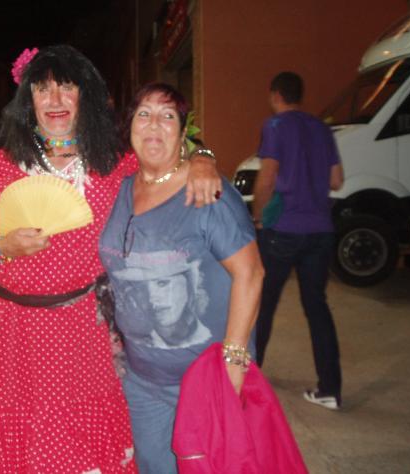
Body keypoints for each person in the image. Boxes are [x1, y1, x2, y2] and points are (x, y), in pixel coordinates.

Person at [0, 45, 221, 473]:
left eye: (66, 87)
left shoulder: (113, 165)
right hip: (12, 332)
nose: (54, 100)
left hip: (82, 330)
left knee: (78, 438)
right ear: (28, 100)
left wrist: (202, 159)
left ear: (84, 95)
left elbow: (165, 153)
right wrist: (1, 247)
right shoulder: (1, 166)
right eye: (42, 89)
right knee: (13, 433)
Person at [98, 82, 263, 474]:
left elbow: (251, 273)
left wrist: (234, 361)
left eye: (167, 115)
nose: (154, 124)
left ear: (182, 130)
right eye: (144, 114)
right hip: (142, 379)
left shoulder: (205, 192)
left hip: (205, 378)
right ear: (129, 127)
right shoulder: (119, 188)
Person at [252, 71, 344, 410]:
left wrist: (259, 217)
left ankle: (249, 380)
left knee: (263, 305)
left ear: (275, 94)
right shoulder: (322, 128)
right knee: (317, 307)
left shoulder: (275, 126)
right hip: (320, 231)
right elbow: (337, 180)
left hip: (283, 230)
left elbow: (267, 177)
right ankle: (330, 389)